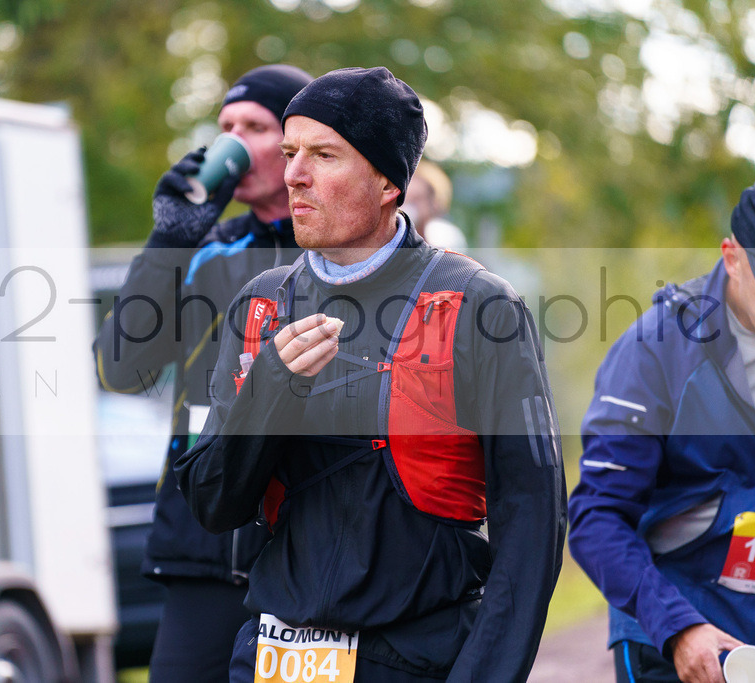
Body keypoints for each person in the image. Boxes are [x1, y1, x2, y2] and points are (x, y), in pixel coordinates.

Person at [175, 66, 566, 682]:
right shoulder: (260, 304)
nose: (294, 175)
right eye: (289, 152)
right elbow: (213, 504)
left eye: (323, 154)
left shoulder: (481, 306)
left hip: (415, 658)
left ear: (388, 182)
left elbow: (533, 523)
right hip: (272, 659)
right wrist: (269, 391)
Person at [93, 64, 312, 682]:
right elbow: (120, 369)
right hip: (202, 546)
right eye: (225, 127)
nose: (233, 143)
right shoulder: (205, 251)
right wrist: (169, 241)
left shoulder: (340, 256)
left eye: (255, 127)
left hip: (305, 546)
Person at [569, 176, 755, 683]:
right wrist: (679, 628)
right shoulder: (658, 348)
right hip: (681, 643)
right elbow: (597, 516)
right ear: (732, 257)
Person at [402, 160, 467, 252]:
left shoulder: (446, 237)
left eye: (417, 199)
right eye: (405, 199)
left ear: (435, 203)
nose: (408, 207)